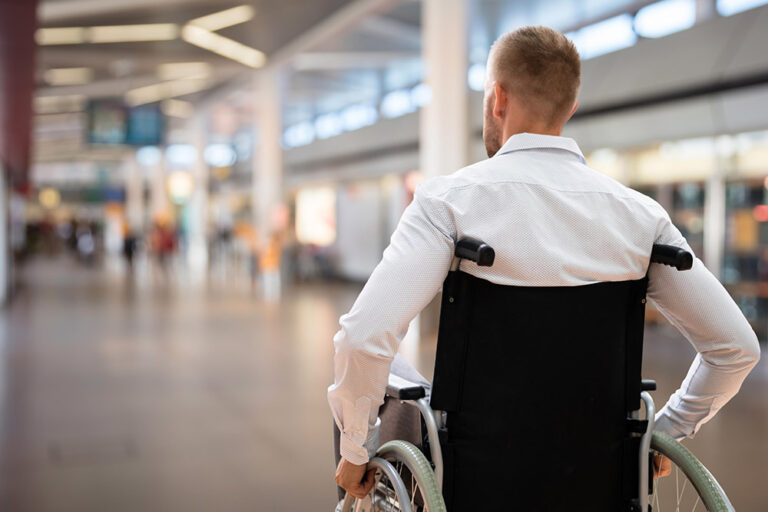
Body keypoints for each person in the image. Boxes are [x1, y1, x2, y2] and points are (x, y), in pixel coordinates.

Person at [328, 26, 760, 500]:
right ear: (570, 107)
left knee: (385, 378)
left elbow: (363, 338)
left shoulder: (448, 204)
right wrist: (665, 431)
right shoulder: (643, 217)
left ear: (498, 99)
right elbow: (735, 347)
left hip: (475, 482)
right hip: (599, 482)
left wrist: (355, 448)